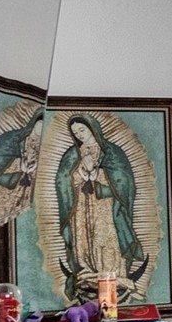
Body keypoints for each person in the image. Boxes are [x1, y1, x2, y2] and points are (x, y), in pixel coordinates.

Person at [54, 114, 148, 299]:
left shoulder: (112, 152)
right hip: (81, 206)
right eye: (75, 132)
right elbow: (62, 181)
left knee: (105, 235)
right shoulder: (72, 154)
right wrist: (80, 173)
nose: (79, 134)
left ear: (92, 128)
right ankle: (87, 271)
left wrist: (98, 174)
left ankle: (111, 272)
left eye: (82, 130)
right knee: (84, 236)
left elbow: (125, 181)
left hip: (106, 206)